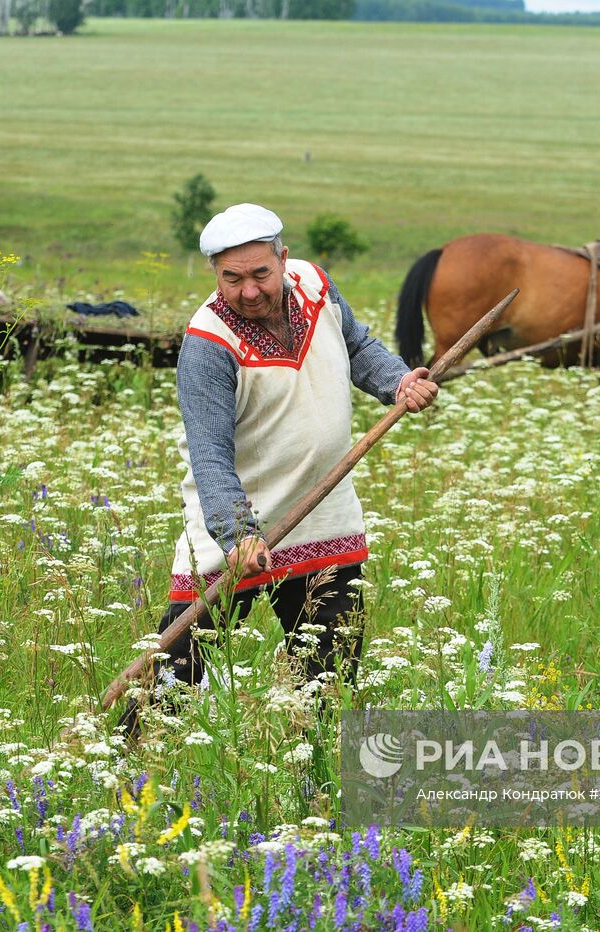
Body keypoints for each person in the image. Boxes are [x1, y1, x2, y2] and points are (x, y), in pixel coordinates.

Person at [121, 203, 437, 733]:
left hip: (324, 514)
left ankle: (315, 783)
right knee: (180, 667)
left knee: (329, 676)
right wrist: (236, 535)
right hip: (239, 527)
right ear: (215, 273)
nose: (248, 290)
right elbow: (210, 453)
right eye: (232, 278)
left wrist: (399, 382)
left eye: (260, 274)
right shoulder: (208, 344)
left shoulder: (314, 285)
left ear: (283, 260)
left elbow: (356, 346)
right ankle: (127, 770)